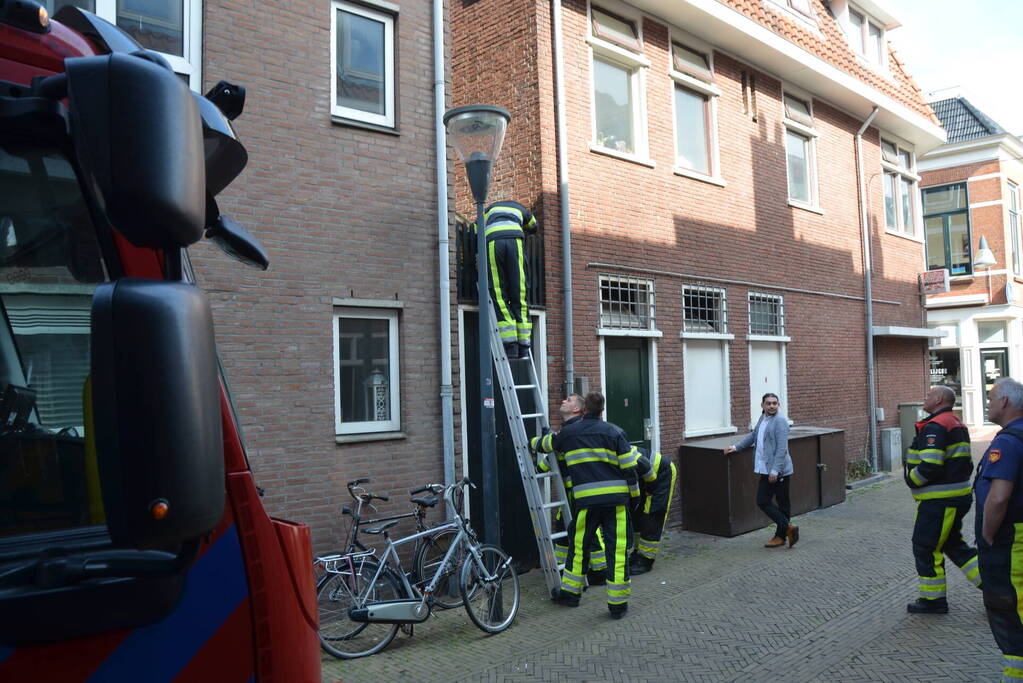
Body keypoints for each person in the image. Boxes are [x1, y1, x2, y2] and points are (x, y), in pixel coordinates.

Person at [531, 392, 638, 619]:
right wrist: (634, 497)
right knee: (617, 551)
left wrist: (532, 442)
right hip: (616, 502)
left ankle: (571, 594)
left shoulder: (569, 433)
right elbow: (629, 468)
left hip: (586, 502)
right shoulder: (616, 432)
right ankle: (617, 605)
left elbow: (545, 445)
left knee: (578, 547)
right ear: (601, 410)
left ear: (584, 410)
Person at [903, 385, 980, 614]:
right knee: (954, 545)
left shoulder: (936, 426)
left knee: (925, 547)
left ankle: (933, 601)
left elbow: (931, 464)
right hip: (954, 498)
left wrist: (912, 480)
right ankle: (994, 586)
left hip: (940, 501)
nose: (925, 398)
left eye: (928, 395)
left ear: (938, 399)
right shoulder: (955, 423)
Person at [976, 378, 1023, 680]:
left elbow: (999, 497)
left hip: (1009, 538)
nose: (989, 403)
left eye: (992, 398)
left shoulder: (1007, 442)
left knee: (1008, 603)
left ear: (1005, 402)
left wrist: (988, 534)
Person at [724, 393, 797, 548]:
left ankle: (781, 535)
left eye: (774, 403)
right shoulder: (763, 418)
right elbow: (754, 436)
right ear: (762, 405)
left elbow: (782, 449)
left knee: (780, 504)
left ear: (778, 405)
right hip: (766, 469)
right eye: (768, 403)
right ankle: (787, 528)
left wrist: (775, 471)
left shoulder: (780, 422)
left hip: (779, 471)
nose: (771, 406)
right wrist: (736, 447)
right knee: (763, 501)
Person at [474, 200, 538, 359]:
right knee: (520, 292)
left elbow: (475, 229)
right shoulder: (520, 208)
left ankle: (510, 346)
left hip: (492, 242)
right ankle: (524, 346)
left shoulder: (488, 210)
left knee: (497, 292)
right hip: (515, 240)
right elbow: (533, 225)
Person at [629, 447, 677, 575]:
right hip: (644, 480)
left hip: (661, 474)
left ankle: (646, 560)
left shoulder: (617, 448)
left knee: (653, 515)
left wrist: (650, 490)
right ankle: (637, 552)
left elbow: (643, 464)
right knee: (637, 514)